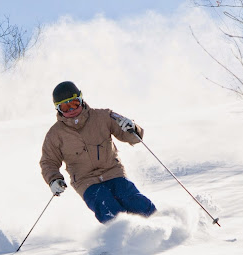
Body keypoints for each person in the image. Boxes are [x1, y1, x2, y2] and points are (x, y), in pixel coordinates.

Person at [40, 81, 156, 224]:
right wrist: (53, 179)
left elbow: (134, 137)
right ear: (58, 109)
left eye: (74, 103)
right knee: (105, 204)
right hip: (85, 181)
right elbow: (48, 161)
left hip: (113, 172)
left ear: (81, 99)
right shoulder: (55, 134)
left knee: (132, 200)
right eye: (65, 107)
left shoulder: (104, 116)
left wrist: (132, 128)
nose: (71, 110)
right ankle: (123, 237)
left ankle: (159, 224)